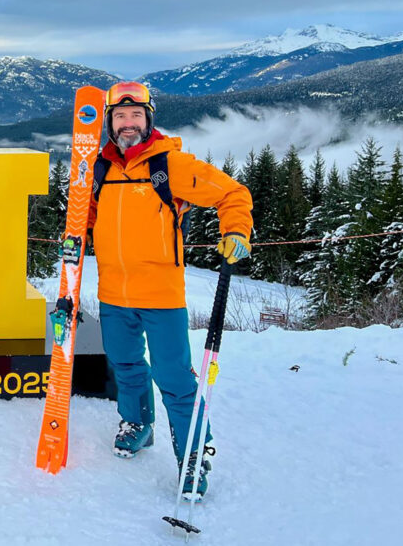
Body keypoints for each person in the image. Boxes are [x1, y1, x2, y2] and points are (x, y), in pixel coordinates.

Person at [87, 81, 252, 500]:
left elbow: (233, 193)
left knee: (175, 377)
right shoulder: (102, 169)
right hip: (113, 293)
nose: (128, 123)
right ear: (110, 122)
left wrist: (236, 231)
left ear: (148, 120)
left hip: (161, 295)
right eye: (120, 116)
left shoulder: (170, 165)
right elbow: (89, 216)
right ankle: (138, 424)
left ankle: (193, 454)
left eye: (136, 116)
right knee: (125, 366)